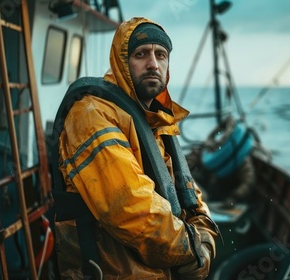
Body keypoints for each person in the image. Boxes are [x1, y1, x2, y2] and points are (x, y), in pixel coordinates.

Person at [53, 17, 218, 279]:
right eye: (141, 54)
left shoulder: (157, 119)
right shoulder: (91, 114)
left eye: (161, 55)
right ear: (122, 62)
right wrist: (194, 249)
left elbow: (189, 193)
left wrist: (205, 236)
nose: (153, 64)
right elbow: (130, 208)